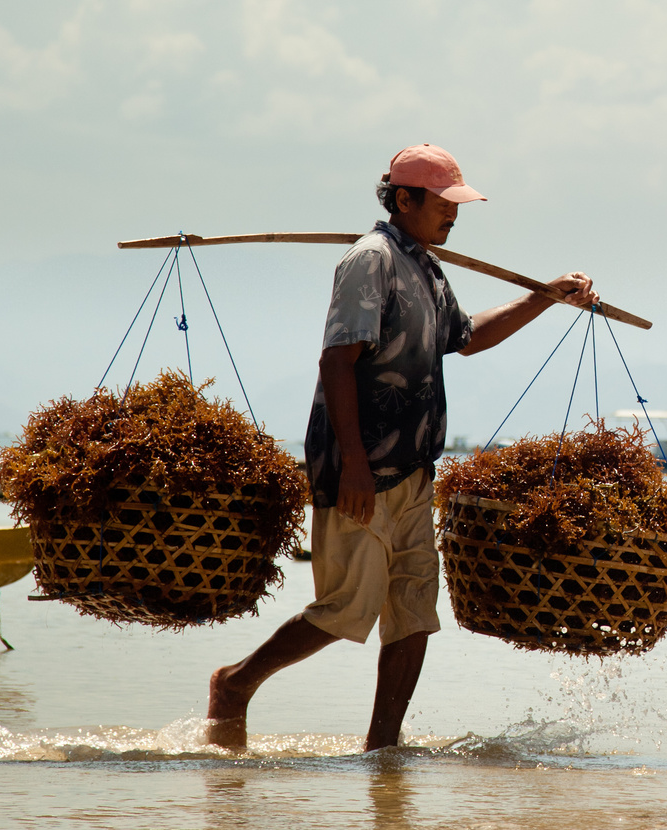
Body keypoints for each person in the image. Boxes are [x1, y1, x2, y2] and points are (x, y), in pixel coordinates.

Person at [206, 143, 599, 751]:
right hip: (360, 469)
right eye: (443, 204)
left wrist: (544, 297)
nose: (453, 216)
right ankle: (235, 683)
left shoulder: (424, 266)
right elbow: (338, 363)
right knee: (344, 609)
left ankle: (382, 749)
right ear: (405, 199)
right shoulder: (372, 261)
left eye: (455, 205)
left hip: (414, 470)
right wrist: (357, 466)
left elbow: (466, 338)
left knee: (414, 611)